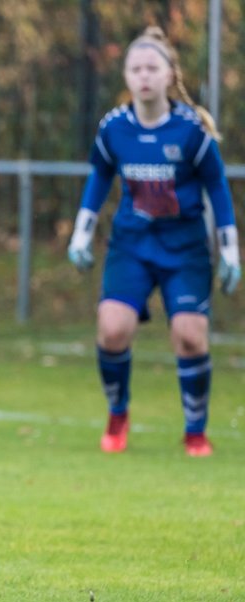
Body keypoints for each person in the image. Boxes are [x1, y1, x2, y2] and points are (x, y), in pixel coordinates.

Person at [67, 26, 239, 456]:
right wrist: (81, 233)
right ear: (126, 76)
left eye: (152, 68)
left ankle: (195, 432)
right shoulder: (114, 128)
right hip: (132, 244)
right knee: (112, 329)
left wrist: (231, 250)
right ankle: (117, 413)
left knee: (190, 335)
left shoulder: (191, 130)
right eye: (135, 68)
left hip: (184, 249)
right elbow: (99, 177)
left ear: (168, 75)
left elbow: (217, 187)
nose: (144, 76)